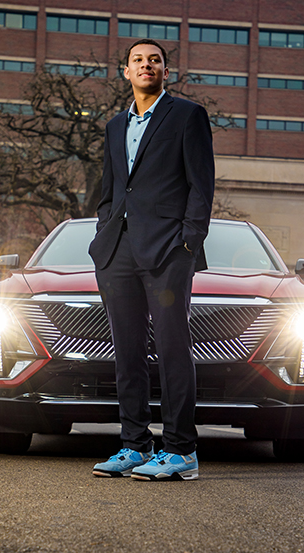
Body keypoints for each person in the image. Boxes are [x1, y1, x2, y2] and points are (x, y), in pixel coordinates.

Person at [87, 38, 214, 481]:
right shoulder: (114, 126)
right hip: (117, 251)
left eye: (154, 60)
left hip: (167, 251)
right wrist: (104, 232)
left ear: (164, 70)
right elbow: (110, 189)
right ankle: (135, 445)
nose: (147, 65)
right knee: (127, 352)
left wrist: (188, 243)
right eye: (138, 60)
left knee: (173, 348)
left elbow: (201, 185)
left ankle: (181, 451)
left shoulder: (187, 116)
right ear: (126, 71)